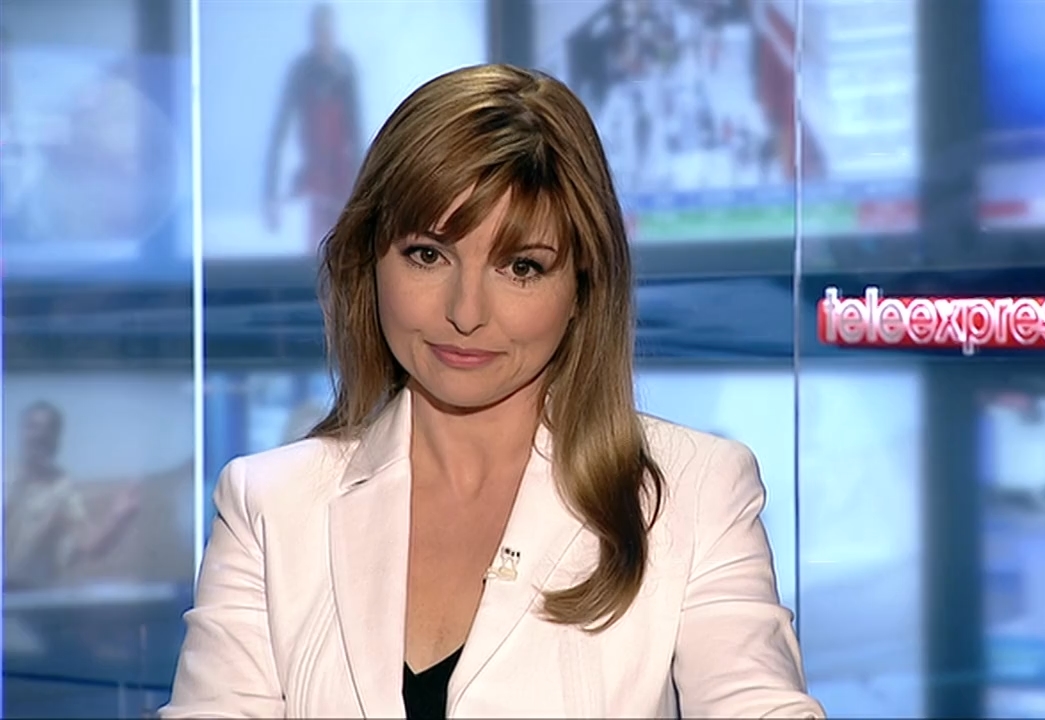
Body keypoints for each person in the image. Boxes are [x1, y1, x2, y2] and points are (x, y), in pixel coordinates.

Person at [162, 64, 823, 719]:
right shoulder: (269, 505)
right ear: (369, 262)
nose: (466, 312)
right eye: (428, 255)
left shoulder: (695, 494)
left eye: (521, 267)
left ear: (582, 285)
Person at [3, 401, 141, 590]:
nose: (39, 435)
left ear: (56, 441)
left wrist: (118, 519)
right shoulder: (4, 475)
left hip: (27, 595)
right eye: (33, 427)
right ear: (22, 432)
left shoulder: (62, 491)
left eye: (48, 430)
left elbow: (91, 545)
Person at [262, 2, 362, 251]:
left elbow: (357, 131)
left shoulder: (345, 68)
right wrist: (270, 193)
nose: (325, 38)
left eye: (329, 31)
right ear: (313, 34)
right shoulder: (301, 72)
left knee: (347, 249)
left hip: (343, 177)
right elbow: (279, 134)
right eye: (319, 31)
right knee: (314, 250)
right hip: (313, 179)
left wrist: (363, 191)